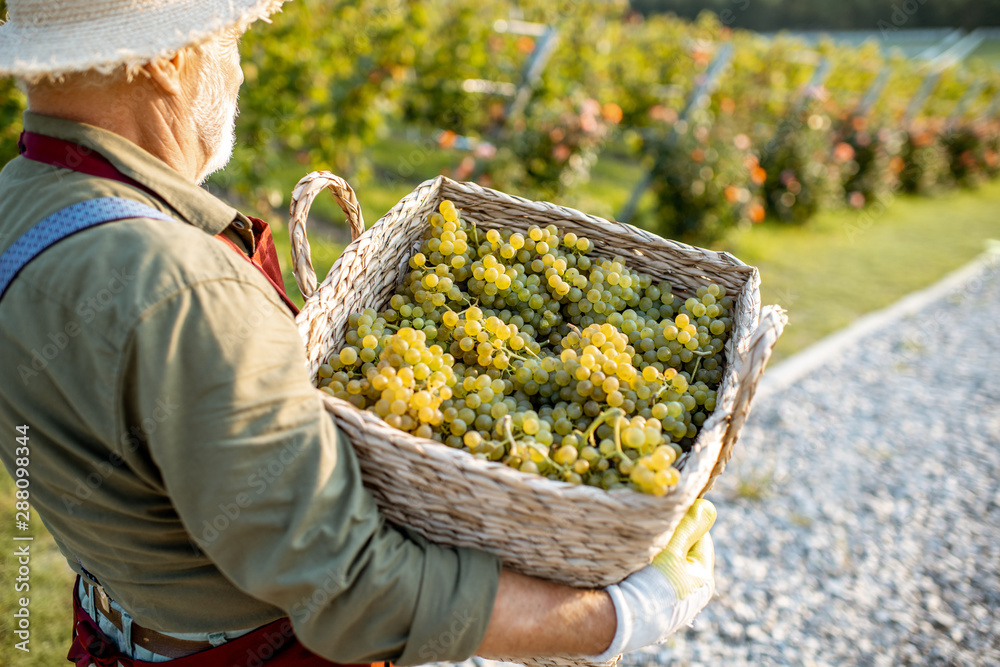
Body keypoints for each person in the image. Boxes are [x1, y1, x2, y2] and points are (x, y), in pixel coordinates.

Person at [0, 1, 717, 665]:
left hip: (124, 624)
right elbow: (351, 588)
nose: (239, 68)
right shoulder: (184, 287)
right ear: (166, 59)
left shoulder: (19, 203)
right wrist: (624, 611)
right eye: (231, 40)